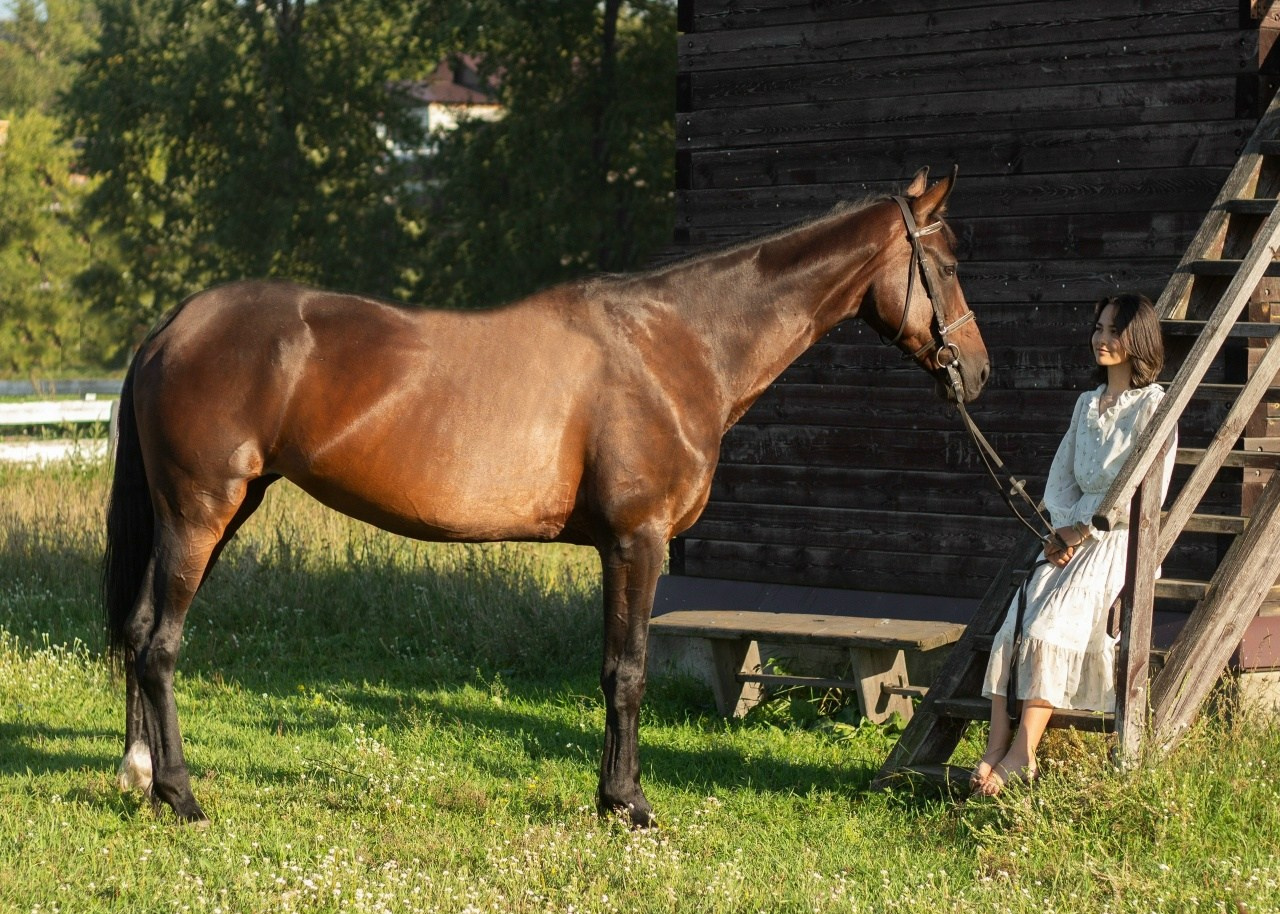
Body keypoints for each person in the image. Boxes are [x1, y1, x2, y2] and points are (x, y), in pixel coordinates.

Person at [971, 292, 1176, 797]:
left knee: (1048, 627)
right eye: (1098, 328)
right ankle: (996, 745)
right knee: (1012, 629)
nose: (1101, 339)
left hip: (1118, 540)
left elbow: (1139, 488)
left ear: (1137, 339)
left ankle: (1023, 754)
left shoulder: (1154, 406)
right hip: (1070, 537)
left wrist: (1084, 531)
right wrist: (1058, 533)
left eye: (1114, 331)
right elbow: (1062, 477)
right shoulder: (1086, 404)